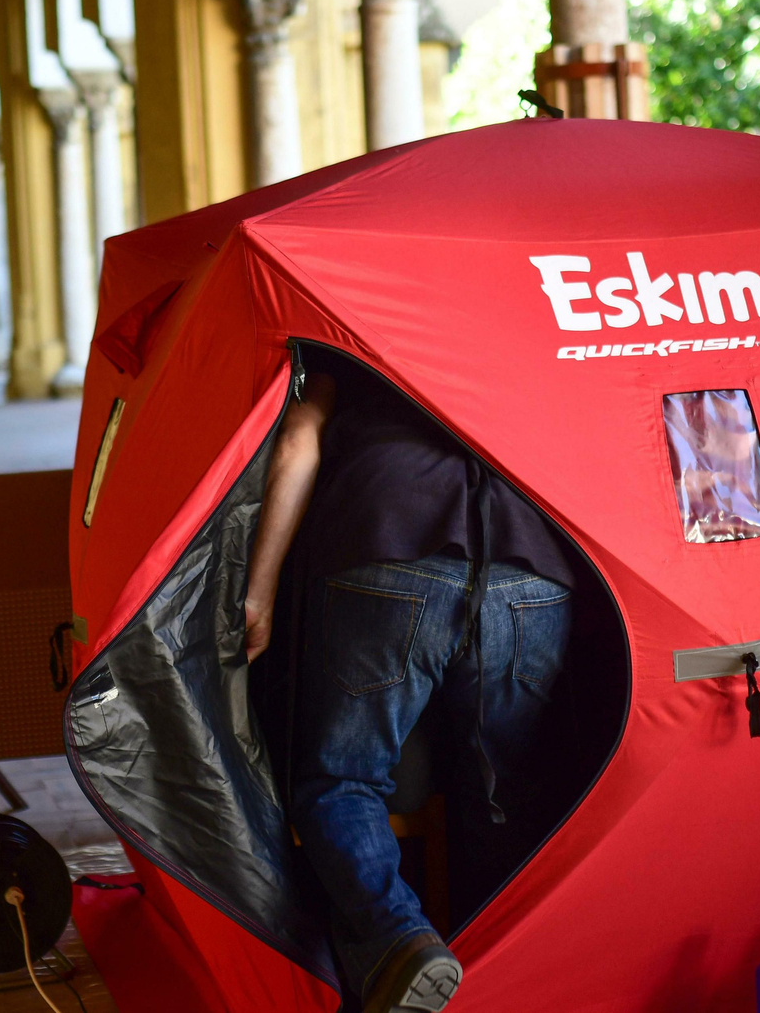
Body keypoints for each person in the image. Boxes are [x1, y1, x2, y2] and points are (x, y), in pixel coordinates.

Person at [244, 350, 578, 1013]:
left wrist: (260, 590)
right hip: (530, 561)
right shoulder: (507, 321)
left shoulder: (348, 329)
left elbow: (297, 443)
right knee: (504, 792)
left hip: (388, 540)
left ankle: (402, 941)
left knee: (342, 782)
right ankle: (499, 977)